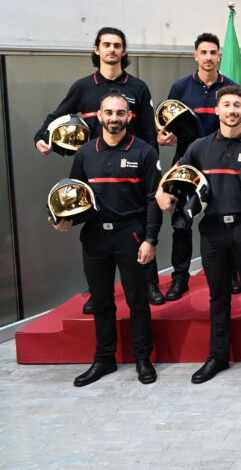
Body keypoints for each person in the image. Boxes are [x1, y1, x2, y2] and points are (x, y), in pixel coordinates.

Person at [157, 86, 241, 385]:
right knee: (218, 297)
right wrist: (162, 190)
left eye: (237, 105)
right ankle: (217, 357)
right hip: (212, 231)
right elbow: (175, 173)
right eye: (227, 105)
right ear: (217, 111)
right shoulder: (199, 147)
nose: (232, 110)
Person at [35, 27, 159, 311]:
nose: (112, 49)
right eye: (106, 45)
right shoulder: (83, 87)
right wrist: (41, 137)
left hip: (133, 166)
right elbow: (57, 117)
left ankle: (149, 284)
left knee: (141, 227)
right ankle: (97, 291)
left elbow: (149, 133)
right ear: (97, 50)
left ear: (124, 52)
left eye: (117, 45)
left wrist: (156, 167)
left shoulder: (138, 88)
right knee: (93, 226)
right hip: (93, 167)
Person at [50, 90, 162, 386]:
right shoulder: (85, 153)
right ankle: (104, 360)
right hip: (95, 239)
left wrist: (150, 239)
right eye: (109, 113)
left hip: (132, 236)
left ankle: (143, 359)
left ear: (129, 117)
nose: (115, 118)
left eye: (120, 113)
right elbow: (75, 196)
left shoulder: (144, 152)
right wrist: (66, 221)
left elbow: (154, 199)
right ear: (99, 116)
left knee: (138, 302)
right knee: (101, 302)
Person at [158, 33, 239, 302]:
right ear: (196, 56)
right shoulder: (180, 87)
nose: (208, 57)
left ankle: (229, 274)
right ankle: (180, 278)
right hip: (186, 165)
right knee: (181, 224)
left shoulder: (230, 86)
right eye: (203, 52)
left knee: (224, 221)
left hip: (220, 165)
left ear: (219, 56)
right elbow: (165, 125)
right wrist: (164, 136)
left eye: (213, 52)